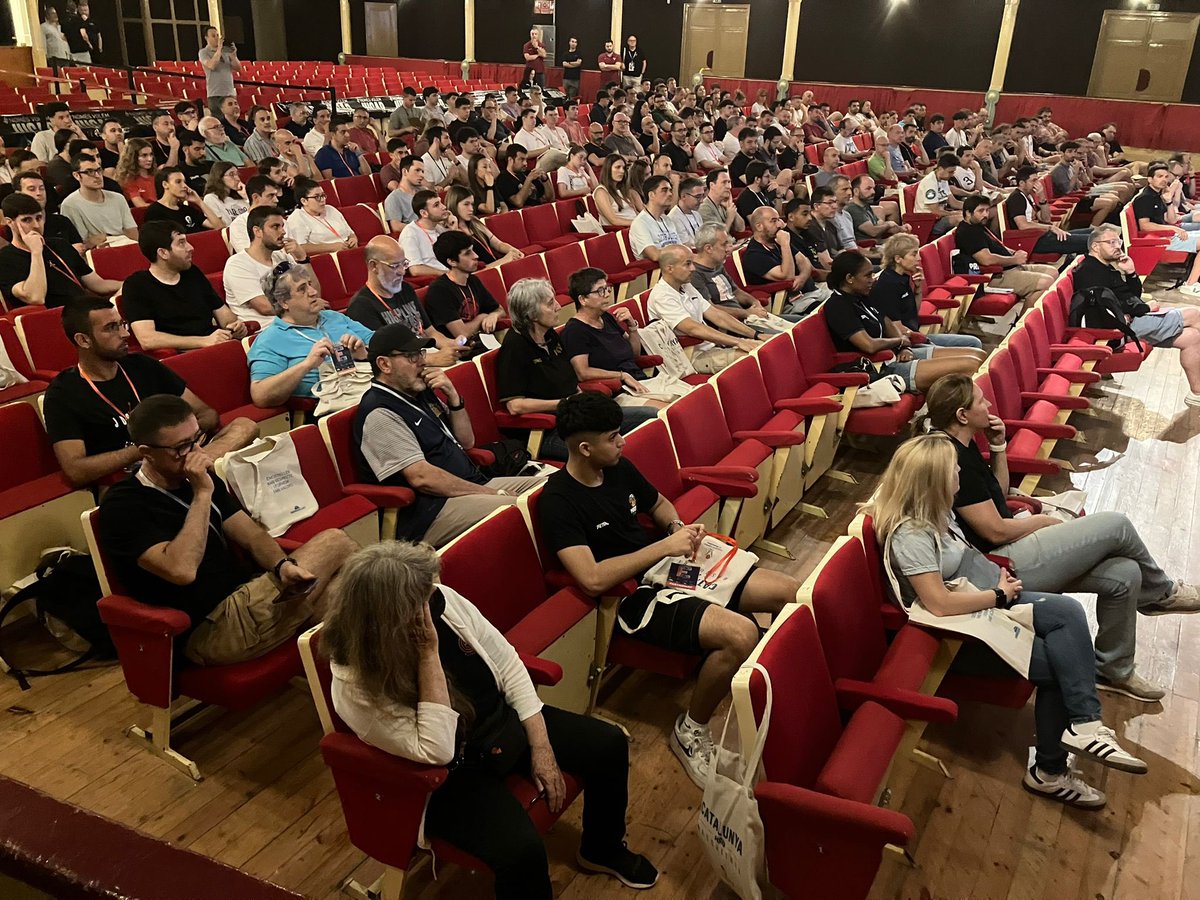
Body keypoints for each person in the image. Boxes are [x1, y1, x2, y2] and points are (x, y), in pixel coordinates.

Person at [323, 540, 659, 899]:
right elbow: (437, 749)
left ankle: (601, 849)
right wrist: (427, 653)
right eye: (419, 602)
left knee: (607, 744)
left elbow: (508, 662)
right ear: (387, 622)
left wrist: (541, 745)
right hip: (450, 773)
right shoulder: (354, 684)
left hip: (499, 726)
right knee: (521, 850)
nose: (434, 601)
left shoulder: (439, 599)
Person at [866, 433, 1148, 809]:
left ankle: (1085, 724)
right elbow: (938, 604)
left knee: (1068, 613)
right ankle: (1048, 771)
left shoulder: (936, 511)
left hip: (987, 600)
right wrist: (997, 595)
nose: (959, 475)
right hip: (959, 631)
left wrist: (996, 583)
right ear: (934, 480)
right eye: (953, 469)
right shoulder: (912, 534)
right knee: (1060, 664)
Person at [540, 391, 799, 785]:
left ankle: (775, 681)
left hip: (666, 567)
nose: (622, 442)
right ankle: (691, 729)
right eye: (613, 437)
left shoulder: (618, 467)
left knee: (791, 592)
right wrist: (663, 547)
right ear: (585, 448)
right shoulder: (557, 500)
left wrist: (676, 531)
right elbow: (591, 577)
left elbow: (658, 502)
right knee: (740, 634)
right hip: (629, 596)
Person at [927, 374, 1200, 701]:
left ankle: (1113, 670)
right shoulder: (948, 457)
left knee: (1126, 575)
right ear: (961, 415)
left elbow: (997, 499)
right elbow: (994, 530)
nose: (988, 405)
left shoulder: (965, 446)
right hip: (1000, 565)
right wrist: (1042, 522)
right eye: (981, 401)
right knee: (1117, 524)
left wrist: (998, 446)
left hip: (1007, 547)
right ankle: (1162, 594)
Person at [99, 392, 354, 666]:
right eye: (181, 447)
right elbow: (181, 570)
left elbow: (253, 537)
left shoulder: (197, 478)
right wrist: (201, 495)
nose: (196, 453)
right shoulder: (123, 505)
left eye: (197, 439)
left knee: (351, 596)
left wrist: (282, 566)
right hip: (211, 627)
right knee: (335, 542)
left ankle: (357, 690)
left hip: (248, 595)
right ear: (146, 454)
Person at [353, 326, 546, 546]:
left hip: (470, 484)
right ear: (384, 364)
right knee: (524, 509)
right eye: (411, 357)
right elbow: (422, 478)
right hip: (431, 511)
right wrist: (492, 492)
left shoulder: (419, 390)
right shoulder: (380, 413)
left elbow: (466, 442)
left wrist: (453, 396)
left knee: (552, 492)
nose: (422, 362)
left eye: (422, 354)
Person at [45, 298, 255, 487]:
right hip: (134, 475)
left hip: (182, 454)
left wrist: (181, 440)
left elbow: (206, 413)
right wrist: (149, 449)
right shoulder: (63, 393)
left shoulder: (142, 365)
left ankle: (192, 470)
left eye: (122, 324)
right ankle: (193, 472)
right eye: (111, 328)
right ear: (83, 340)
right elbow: (75, 470)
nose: (125, 333)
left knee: (245, 426)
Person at [497, 280, 657, 460]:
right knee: (608, 450)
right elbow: (515, 405)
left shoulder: (550, 335)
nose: (559, 306)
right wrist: (564, 403)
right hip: (546, 431)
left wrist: (582, 404)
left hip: (575, 417)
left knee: (652, 417)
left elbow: (572, 381)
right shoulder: (514, 347)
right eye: (550, 303)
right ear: (531, 313)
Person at [1075, 224, 1200, 406]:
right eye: (1111, 242)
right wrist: (1144, 309)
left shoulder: (1106, 266)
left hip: (1130, 319)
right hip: (1121, 328)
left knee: (1191, 337)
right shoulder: (1089, 271)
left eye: (1118, 241)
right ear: (1095, 246)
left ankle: (1196, 393)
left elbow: (1132, 295)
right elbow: (1105, 307)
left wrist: (1131, 272)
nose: (1118, 246)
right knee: (1194, 314)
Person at [824, 250, 982, 393]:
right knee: (971, 365)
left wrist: (902, 347)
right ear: (849, 278)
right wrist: (899, 341)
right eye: (867, 276)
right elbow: (869, 345)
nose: (872, 279)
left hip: (895, 354)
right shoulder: (838, 305)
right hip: (880, 368)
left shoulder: (862, 296)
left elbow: (887, 323)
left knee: (978, 355)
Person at [247, 263, 374, 406]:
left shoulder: (333, 317)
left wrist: (365, 353)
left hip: (369, 386)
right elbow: (260, 396)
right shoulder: (269, 340)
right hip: (333, 404)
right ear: (284, 303)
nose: (313, 292)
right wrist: (307, 365)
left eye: (310, 284)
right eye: (302, 289)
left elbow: (381, 344)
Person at [122, 221, 246, 354]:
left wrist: (234, 326)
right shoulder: (137, 285)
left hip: (216, 346)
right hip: (181, 355)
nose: (190, 247)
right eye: (181, 243)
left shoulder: (192, 273)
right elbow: (147, 339)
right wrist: (203, 341)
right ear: (163, 253)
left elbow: (223, 314)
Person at [646, 244, 760, 374]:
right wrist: (738, 342)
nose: (693, 268)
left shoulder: (686, 285)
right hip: (690, 357)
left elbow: (717, 315)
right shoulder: (662, 296)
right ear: (669, 268)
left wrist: (756, 335)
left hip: (711, 347)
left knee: (764, 348)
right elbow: (693, 328)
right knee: (754, 358)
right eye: (687, 264)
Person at [562, 267, 667, 407]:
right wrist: (622, 375)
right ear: (582, 299)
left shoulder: (606, 317)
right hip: (619, 392)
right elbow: (583, 372)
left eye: (607, 289)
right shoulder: (575, 331)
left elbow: (633, 353)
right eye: (600, 291)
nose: (606, 294)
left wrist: (632, 327)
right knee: (671, 411)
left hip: (640, 381)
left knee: (693, 398)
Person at [0, 193, 118, 308]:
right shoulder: (5, 259)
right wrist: (36, 253)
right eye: (27, 220)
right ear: (10, 222)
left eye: (39, 218)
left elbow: (98, 284)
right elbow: (36, 297)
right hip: (53, 317)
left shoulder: (59, 244)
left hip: (84, 309)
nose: (36, 225)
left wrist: (128, 285)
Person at [872, 233, 982, 349]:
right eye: (914, 254)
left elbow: (914, 312)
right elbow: (896, 328)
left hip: (916, 335)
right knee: (967, 353)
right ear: (898, 259)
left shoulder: (903, 277)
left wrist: (918, 289)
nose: (919, 259)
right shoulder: (888, 284)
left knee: (974, 343)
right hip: (906, 344)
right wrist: (925, 341)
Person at [953, 196, 1056, 308]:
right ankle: (1022, 324)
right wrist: (1014, 259)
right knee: (1046, 282)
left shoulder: (977, 226)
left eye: (987, 210)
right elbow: (986, 259)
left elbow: (996, 246)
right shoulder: (967, 232)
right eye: (981, 211)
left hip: (1010, 267)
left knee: (1053, 272)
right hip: (996, 275)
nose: (986, 215)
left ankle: (1026, 313)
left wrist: (1013, 253)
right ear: (968, 213)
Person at [223, 205, 307, 326]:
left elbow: (313, 291)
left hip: (298, 322)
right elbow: (264, 307)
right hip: (268, 329)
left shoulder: (283, 256)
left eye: (282, 226)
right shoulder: (237, 264)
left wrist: (303, 259)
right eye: (275, 227)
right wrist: (305, 305)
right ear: (257, 231)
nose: (283, 231)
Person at [689, 224, 779, 329]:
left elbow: (736, 292)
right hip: (730, 326)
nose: (728, 249)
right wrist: (747, 313)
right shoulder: (695, 273)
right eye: (723, 245)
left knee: (796, 324)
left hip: (746, 318)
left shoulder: (718, 264)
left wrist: (755, 302)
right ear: (708, 248)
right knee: (786, 336)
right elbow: (710, 309)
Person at [1133, 163, 1200, 296]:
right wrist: (1172, 229)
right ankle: (1190, 284)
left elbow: (1172, 220)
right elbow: (1144, 226)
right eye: (1159, 176)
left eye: (1165, 176)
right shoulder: (1145, 198)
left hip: (1166, 234)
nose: (1164, 179)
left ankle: (1191, 282)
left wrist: (1169, 202)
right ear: (1150, 179)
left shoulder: (1158, 195)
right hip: (1161, 239)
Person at [741, 206, 822, 316]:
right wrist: (785, 244)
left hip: (811, 292)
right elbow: (787, 277)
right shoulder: (754, 254)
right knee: (832, 310)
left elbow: (805, 262)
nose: (779, 224)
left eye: (779, 219)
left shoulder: (775, 241)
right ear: (759, 226)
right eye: (773, 221)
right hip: (790, 303)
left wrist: (802, 278)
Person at [424, 231, 502, 343]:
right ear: (452, 262)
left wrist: (493, 315)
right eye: (467, 253)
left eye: (473, 250)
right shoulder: (439, 290)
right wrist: (482, 317)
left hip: (484, 340)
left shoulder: (472, 280)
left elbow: (499, 309)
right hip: (461, 349)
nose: (476, 256)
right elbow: (462, 333)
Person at [1004, 165, 1091, 257]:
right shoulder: (1017, 198)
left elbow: (1046, 219)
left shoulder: (1029, 196)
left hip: (1042, 235)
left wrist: (1042, 197)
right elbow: (1023, 225)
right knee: (1092, 240)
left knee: (1094, 233)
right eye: (1033, 181)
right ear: (1022, 183)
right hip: (1033, 240)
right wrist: (1050, 228)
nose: (1037, 183)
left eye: (1037, 180)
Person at [62, 153, 139, 250]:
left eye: (98, 170)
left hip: (126, 248)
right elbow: (84, 244)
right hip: (97, 254)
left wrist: (106, 237)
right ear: (77, 175)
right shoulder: (70, 205)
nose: (97, 176)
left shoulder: (118, 198)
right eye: (90, 172)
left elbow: (133, 234)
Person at [444, 185, 522, 267]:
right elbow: (472, 270)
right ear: (454, 205)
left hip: (496, 265)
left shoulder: (474, 221)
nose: (471, 209)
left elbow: (498, 244)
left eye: (472, 204)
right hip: (486, 272)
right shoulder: (450, 233)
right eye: (466, 204)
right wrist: (505, 260)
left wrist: (512, 250)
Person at [12, 170, 84, 252]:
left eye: (42, 189)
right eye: (32, 189)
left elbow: (80, 248)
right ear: (18, 194)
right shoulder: (16, 226)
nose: (39, 193)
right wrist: (68, 251)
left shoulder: (62, 221)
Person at [287, 177, 356, 256]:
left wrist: (353, 239)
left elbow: (350, 233)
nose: (322, 200)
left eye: (323, 195)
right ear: (304, 201)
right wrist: (331, 247)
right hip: (326, 258)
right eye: (317, 197)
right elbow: (299, 247)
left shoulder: (331, 209)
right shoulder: (297, 217)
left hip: (348, 251)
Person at [143, 166, 224, 233]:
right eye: (178, 182)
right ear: (165, 184)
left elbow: (219, 227)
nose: (184, 186)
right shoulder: (154, 211)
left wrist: (199, 202)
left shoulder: (187, 209)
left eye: (184, 182)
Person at [627, 175, 681, 262]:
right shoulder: (640, 223)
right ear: (651, 195)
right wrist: (679, 252)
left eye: (670, 190)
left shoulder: (667, 219)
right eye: (664, 190)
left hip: (676, 265)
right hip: (656, 272)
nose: (670, 194)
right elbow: (654, 255)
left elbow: (680, 247)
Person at [398, 190, 450, 276]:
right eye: (436, 205)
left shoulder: (439, 228)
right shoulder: (410, 234)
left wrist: (454, 228)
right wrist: (448, 274)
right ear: (424, 213)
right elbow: (415, 269)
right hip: (437, 280)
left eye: (441, 202)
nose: (444, 207)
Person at [225, 175, 282, 252]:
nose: (276, 200)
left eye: (276, 195)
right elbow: (247, 255)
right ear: (255, 197)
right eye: (271, 196)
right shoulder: (239, 224)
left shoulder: (279, 220)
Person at [315, 114, 372, 180]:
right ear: (332, 134)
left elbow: (368, 174)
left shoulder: (351, 151)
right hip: (343, 187)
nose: (347, 135)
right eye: (343, 132)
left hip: (360, 184)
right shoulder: (324, 153)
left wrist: (359, 154)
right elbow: (329, 179)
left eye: (348, 131)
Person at [199, 26, 240, 116]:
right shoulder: (203, 52)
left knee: (232, 118)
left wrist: (233, 55)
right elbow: (211, 65)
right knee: (218, 120)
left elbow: (238, 68)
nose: (217, 38)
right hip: (215, 94)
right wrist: (219, 50)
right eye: (213, 36)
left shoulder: (226, 51)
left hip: (229, 92)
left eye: (217, 35)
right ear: (206, 38)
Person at [593, 154, 641, 227]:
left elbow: (635, 212)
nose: (622, 171)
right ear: (608, 169)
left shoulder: (624, 190)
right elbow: (614, 220)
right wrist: (640, 223)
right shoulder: (601, 191)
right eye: (618, 167)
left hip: (635, 226)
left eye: (624, 168)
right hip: (622, 231)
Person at [201, 161, 250, 227]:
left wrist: (247, 197)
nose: (238, 179)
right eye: (231, 174)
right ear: (219, 177)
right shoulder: (211, 198)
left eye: (237, 174)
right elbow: (220, 227)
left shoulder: (241, 195)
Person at [383, 156, 425, 231]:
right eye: (417, 170)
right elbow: (396, 227)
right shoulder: (394, 198)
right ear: (405, 172)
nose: (422, 175)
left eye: (422, 171)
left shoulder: (423, 191)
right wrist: (423, 228)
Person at [697, 168, 744, 235]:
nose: (729, 187)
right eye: (724, 182)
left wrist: (731, 206)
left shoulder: (722, 204)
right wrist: (730, 217)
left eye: (729, 182)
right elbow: (716, 237)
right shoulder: (704, 208)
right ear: (712, 185)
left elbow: (741, 229)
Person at [112, 138, 156, 207]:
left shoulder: (157, 175)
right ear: (133, 157)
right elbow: (141, 206)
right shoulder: (128, 181)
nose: (149, 159)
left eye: (151, 154)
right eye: (144, 155)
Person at [667, 176, 705, 248]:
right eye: (697, 197)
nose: (701, 201)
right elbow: (686, 246)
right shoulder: (674, 218)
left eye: (703, 196)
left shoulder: (696, 214)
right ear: (683, 196)